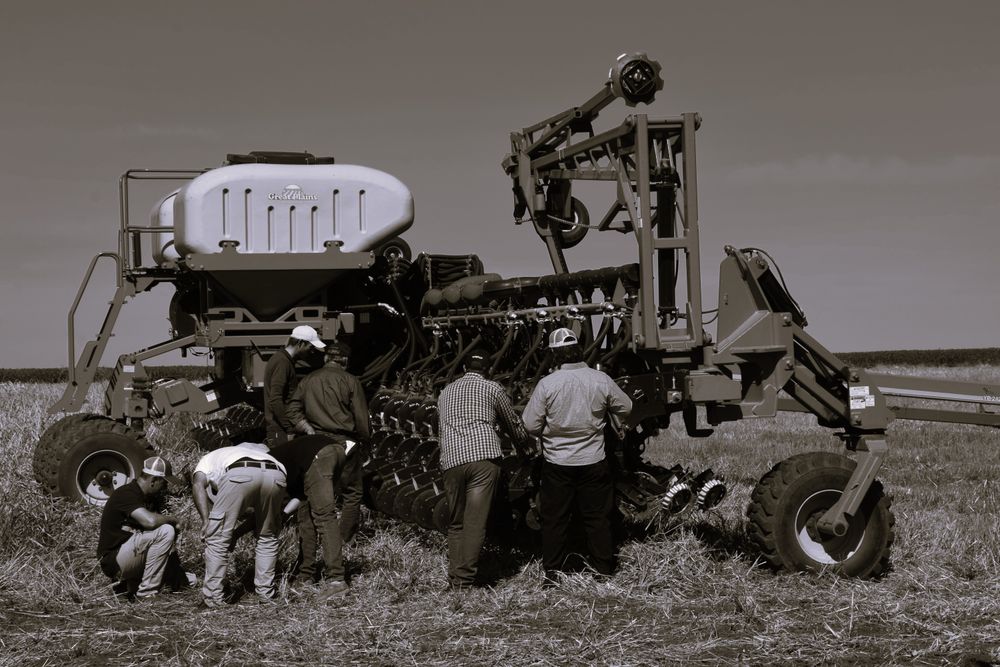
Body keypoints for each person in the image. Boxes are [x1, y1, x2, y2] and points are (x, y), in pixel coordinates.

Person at [521, 327, 632, 584]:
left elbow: (530, 425)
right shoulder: (599, 379)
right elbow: (626, 406)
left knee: (555, 519)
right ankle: (603, 569)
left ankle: (553, 573)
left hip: (557, 462)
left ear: (554, 355)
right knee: (597, 517)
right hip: (593, 460)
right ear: (577, 351)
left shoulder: (547, 384)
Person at [437, 348, 530, 590]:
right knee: (475, 522)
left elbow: (440, 429)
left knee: (456, 522)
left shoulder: (445, 392)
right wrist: (525, 447)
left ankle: (455, 578)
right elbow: (512, 422)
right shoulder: (492, 388)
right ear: (488, 370)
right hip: (482, 459)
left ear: (464, 369)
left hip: (452, 460)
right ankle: (466, 581)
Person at [286, 340, 370, 552]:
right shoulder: (351, 381)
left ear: (326, 358)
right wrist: (367, 443)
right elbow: (361, 420)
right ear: (345, 361)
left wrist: (307, 429)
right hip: (344, 443)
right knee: (352, 492)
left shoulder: (308, 380)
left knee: (309, 494)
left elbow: (292, 411)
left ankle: (308, 546)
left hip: (314, 444)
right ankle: (343, 541)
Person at [191, 443, 287, 607]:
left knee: (218, 538)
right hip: (276, 473)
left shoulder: (207, 459)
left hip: (239, 471)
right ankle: (266, 595)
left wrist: (206, 520)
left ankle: (213, 598)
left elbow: (198, 484)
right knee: (267, 536)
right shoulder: (260, 454)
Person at [269, 434, 354, 599]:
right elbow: (297, 499)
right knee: (306, 518)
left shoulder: (265, 466)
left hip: (318, 456)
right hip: (332, 451)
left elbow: (269, 508)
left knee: (324, 516)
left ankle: (336, 581)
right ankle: (306, 574)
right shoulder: (276, 460)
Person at [96, 456, 191, 600]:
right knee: (166, 531)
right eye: (164, 484)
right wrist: (173, 519)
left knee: (189, 580)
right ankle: (147, 593)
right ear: (153, 481)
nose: (165, 489)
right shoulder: (126, 493)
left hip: (131, 554)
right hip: (114, 560)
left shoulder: (146, 498)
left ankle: (131, 586)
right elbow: (150, 522)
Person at [263, 324, 325, 447]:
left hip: (281, 428)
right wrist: (289, 428)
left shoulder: (283, 360)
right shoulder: (282, 362)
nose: (312, 352)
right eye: (310, 347)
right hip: (280, 430)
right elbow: (275, 399)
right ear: (301, 343)